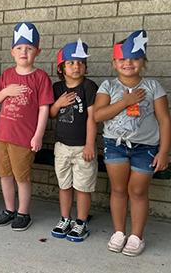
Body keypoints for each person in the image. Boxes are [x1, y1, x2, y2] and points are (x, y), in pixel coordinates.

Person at [93, 30, 171, 256]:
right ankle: (119, 232)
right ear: (114, 62)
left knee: (137, 191)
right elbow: (98, 115)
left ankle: (136, 236)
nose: (128, 63)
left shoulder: (154, 87)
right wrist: (125, 102)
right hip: (115, 145)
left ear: (143, 62)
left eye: (134, 58)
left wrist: (164, 151)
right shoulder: (108, 86)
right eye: (122, 59)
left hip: (145, 148)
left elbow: (165, 121)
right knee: (118, 189)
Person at [0, 22, 54, 231]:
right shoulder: (8, 74)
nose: (23, 52)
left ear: (37, 51)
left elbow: (44, 108)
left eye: (28, 48)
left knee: (22, 177)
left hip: (23, 137)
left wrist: (38, 136)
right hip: (2, 134)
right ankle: (9, 209)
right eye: (19, 48)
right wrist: (7, 91)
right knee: (5, 174)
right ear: (12, 52)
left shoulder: (40, 77)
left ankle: (23, 212)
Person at [49, 40, 98, 242]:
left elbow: (92, 118)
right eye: (71, 63)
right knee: (64, 185)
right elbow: (51, 114)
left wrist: (89, 144)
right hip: (62, 145)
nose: (76, 66)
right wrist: (58, 103)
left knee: (83, 186)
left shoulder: (89, 87)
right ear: (62, 68)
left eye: (80, 62)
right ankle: (65, 218)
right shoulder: (57, 87)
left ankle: (81, 222)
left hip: (82, 147)